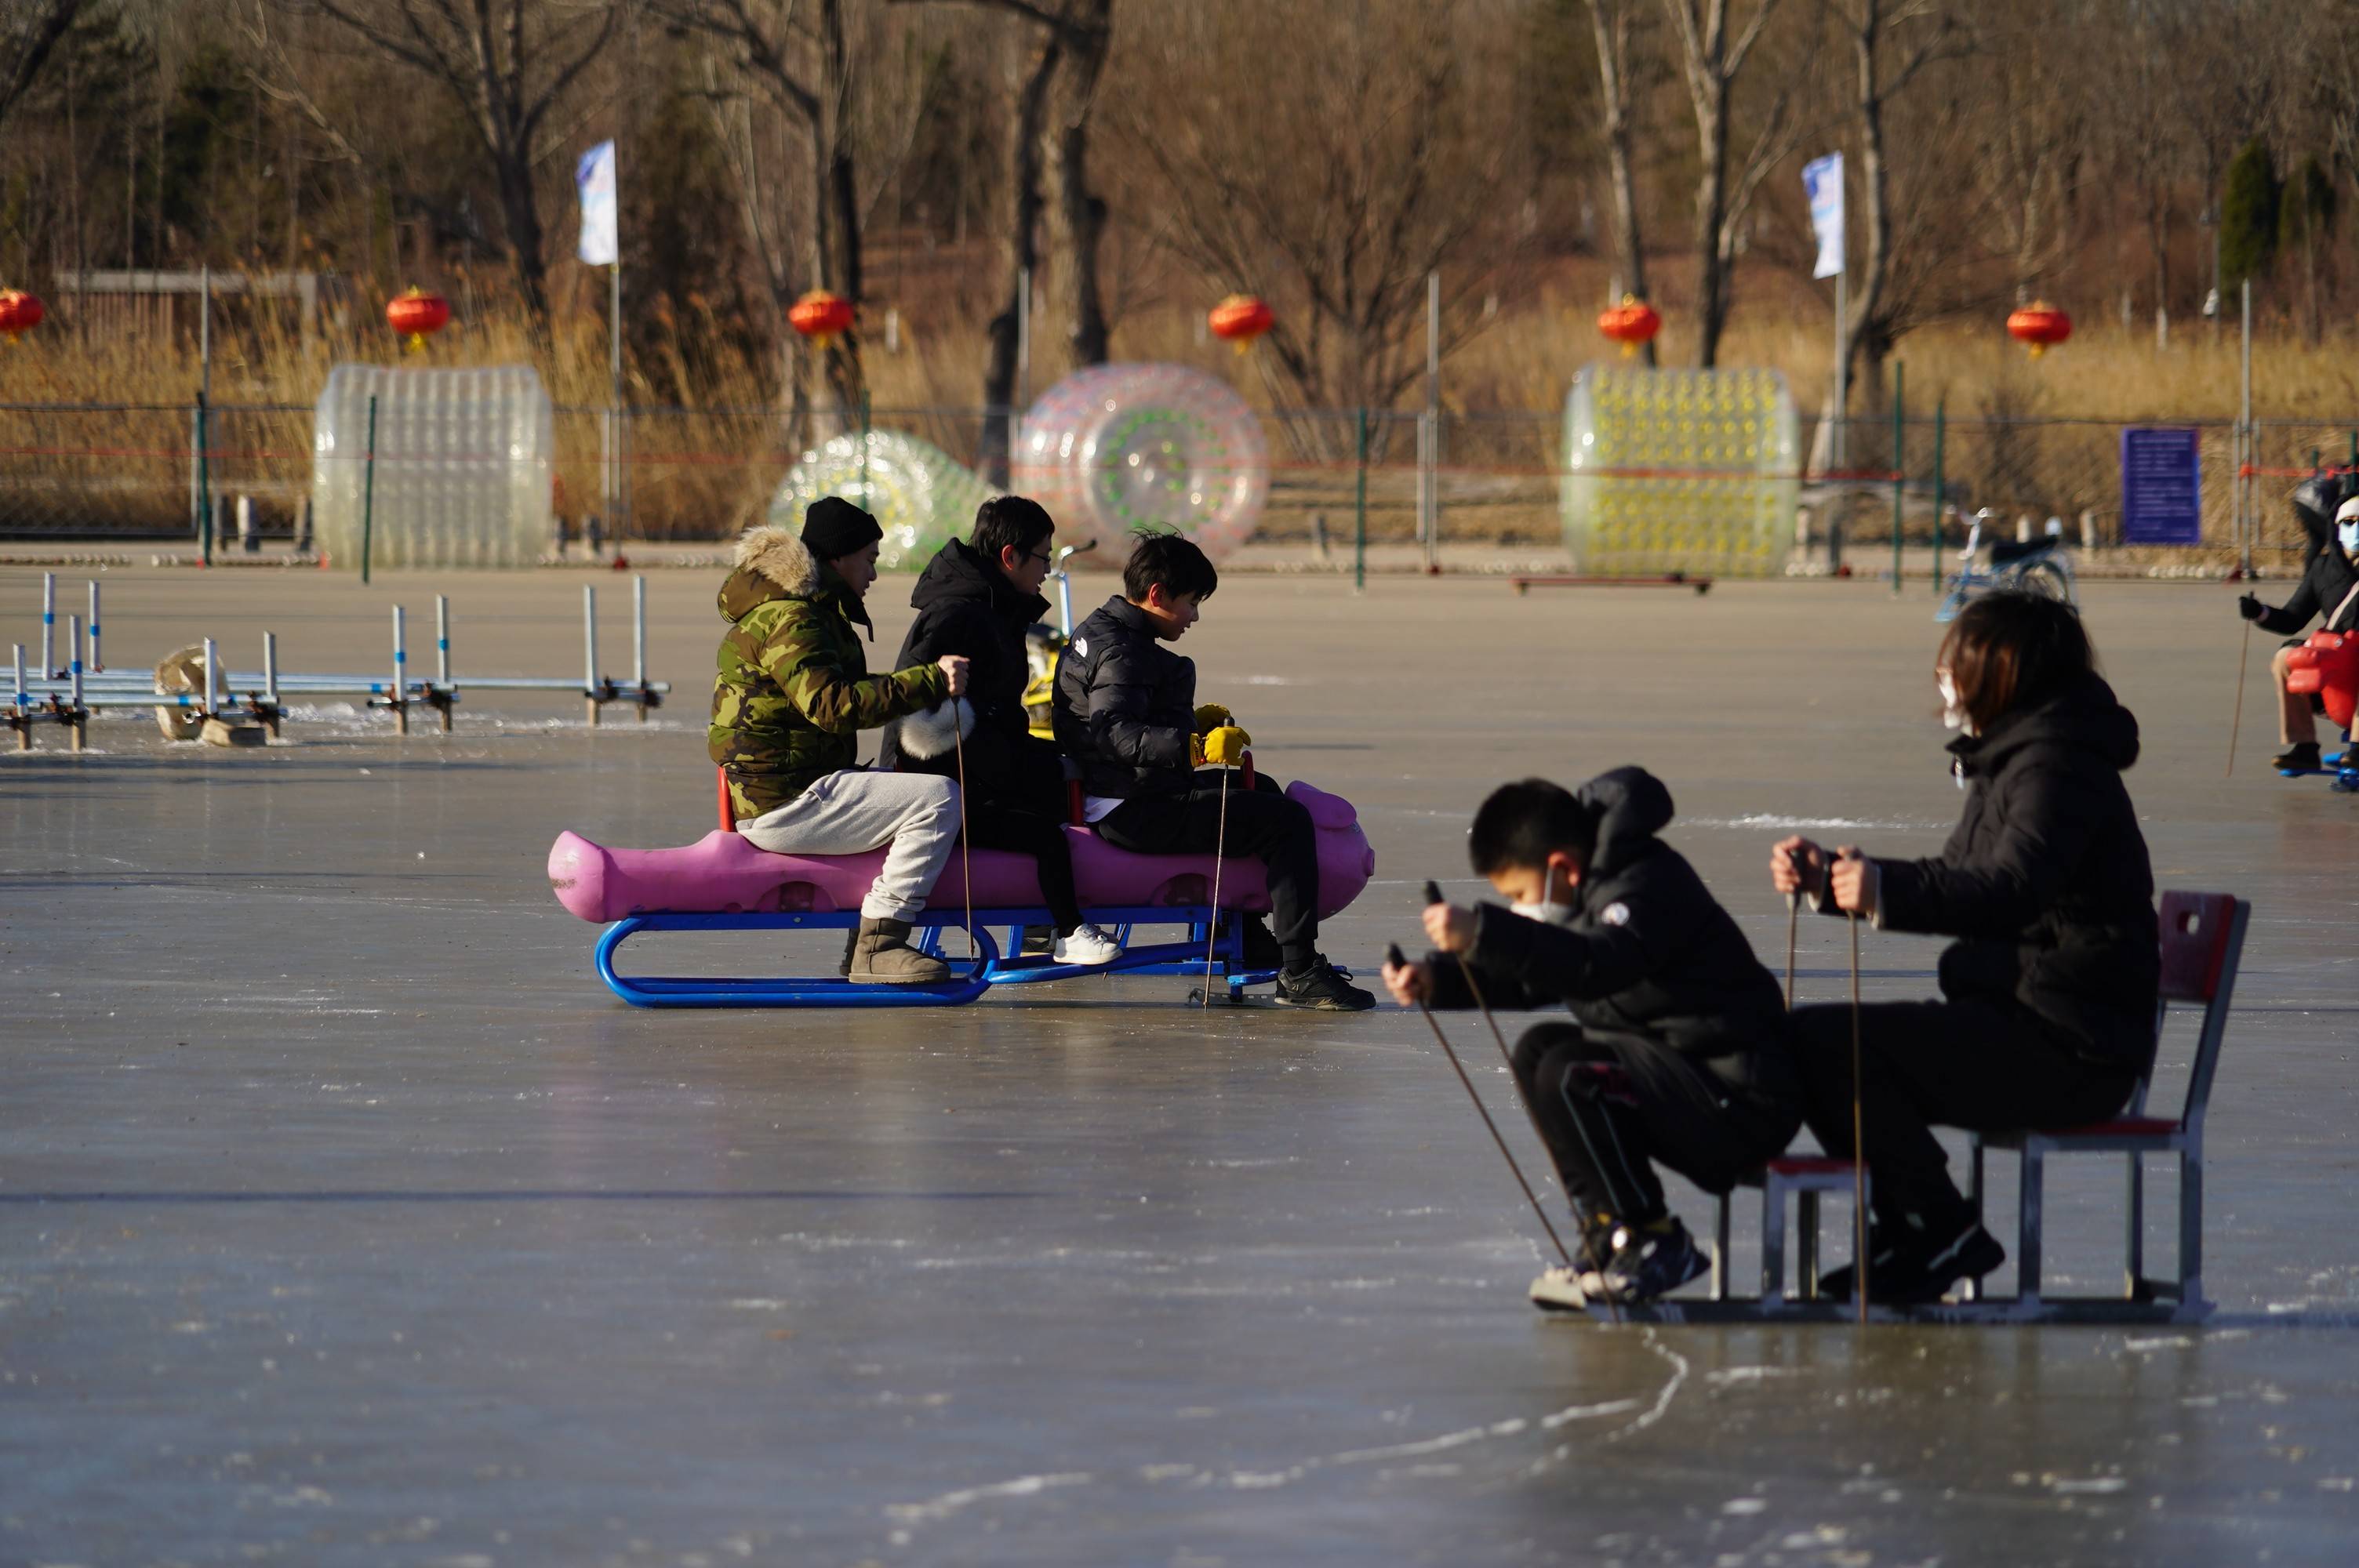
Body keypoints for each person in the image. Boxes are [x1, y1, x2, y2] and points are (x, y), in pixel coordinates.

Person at [1769, 591, 2157, 1305]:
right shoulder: (2012, 757)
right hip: (2021, 1015)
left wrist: (1883, 889)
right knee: (1819, 1041)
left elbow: (2012, 888)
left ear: (2001, 669)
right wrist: (1838, 882)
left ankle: (1936, 1225)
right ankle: (1921, 1226)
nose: (1942, 679)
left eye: (1955, 663)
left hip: (2072, 1044)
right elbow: (1960, 878)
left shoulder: (2055, 764)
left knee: (1831, 1045)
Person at [1381, 771, 1799, 1305]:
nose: (1519, 909)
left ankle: (1654, 1236)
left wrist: (1486, 933)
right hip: (1679, 1074)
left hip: (1740, 1096)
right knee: (1539, 1052)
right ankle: (1608, 1230)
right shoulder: (1589, 885)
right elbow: (1539, 972)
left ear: (1561, 868)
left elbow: (1596, 963)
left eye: (1519, 895)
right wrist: (1438, 977)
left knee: (1571, 1071)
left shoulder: (1643, 882)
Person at [1052, 528, 1373, 1011]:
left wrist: (1185, 724)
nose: (1195, 616)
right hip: (1132, 808)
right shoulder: (1124, 651)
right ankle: (1301, 969)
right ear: (1157, 595)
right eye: (1191, 602)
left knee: (1260, 788)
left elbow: (1120, 717)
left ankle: (1245, 931)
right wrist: (1195, 747)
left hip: (1121, 790)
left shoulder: (1102, 629)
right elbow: (1114, 733)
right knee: (1286, 823)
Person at [709, 496, 971, 985]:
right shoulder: (793, 619)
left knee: (908, 784)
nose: (873, 573)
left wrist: (917, 686)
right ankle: (879, 944)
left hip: (791, 786)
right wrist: (929, 681)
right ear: (838, 557)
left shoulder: (805, 611)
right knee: (938, 799)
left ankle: (863, 938)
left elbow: (832, 693)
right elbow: (832, 706)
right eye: (869, 559)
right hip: (784, 801)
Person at [880, 496, 1121, 966]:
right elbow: (922, 723)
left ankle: (1047, 925)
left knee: (1070, 777)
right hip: (940, 785)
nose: (1046, 571)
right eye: (1043, 558)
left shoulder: (994, 608)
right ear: (1010, 556)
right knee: (1053, 820)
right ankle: (1068, 928)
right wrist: (1014, 770)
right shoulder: (960, 616)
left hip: (975, 765)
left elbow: (995, 715)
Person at [2240, 492, 2359, 772]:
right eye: (2348, 522)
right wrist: (2260, 612)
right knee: (2286, 658)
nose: (2355, 529)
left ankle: (2357, 747)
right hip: (2337, 652)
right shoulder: (2323, 567)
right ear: (2336, 526)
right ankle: (2304, 745)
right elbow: (2293, 617)